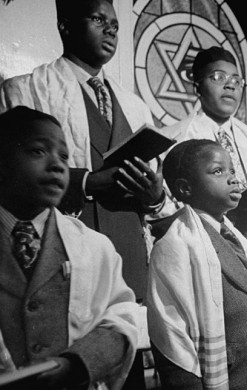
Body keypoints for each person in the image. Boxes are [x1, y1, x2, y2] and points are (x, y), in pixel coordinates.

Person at [0, 0, 166, 299]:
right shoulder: (26, 89)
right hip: (63, 246)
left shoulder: (135, 105)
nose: (110, 31)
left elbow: (155, 190)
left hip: (129, 249)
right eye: (98, 20)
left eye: (115, 25)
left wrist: (154, 196)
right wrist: (88, 182)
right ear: (65, 25)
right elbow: (10, 174)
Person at [0, 106, 140, 390]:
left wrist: (80, 363)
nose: (57, 165)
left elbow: (121, 316)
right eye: (38, 151)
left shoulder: (94, 247)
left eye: (64, 156)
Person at [146, 139, 247, 390]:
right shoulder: (176, 246)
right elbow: (171, 337)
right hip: (219, 378)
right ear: (185, 188)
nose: (232, 179)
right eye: (218, 171)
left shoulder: (237, 238)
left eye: (232, 171)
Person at [160, 46, 247, 237]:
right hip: (200, 239)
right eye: (218, 77)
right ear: (197, 87)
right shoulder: (173, 139)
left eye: (236, 80)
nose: (230, 85)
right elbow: (164, 206)